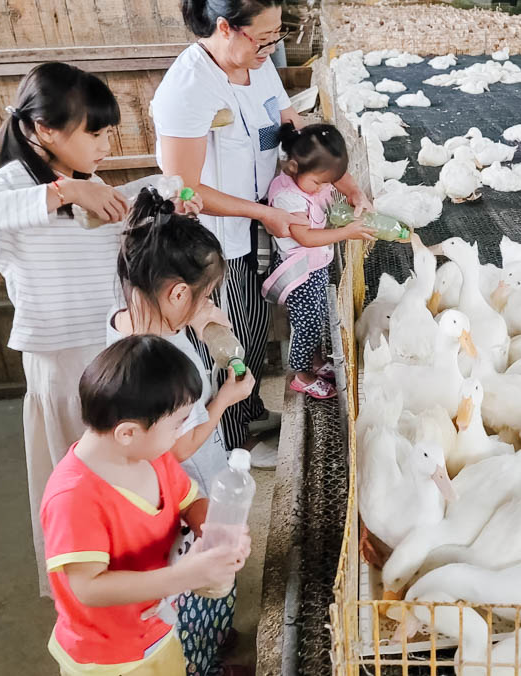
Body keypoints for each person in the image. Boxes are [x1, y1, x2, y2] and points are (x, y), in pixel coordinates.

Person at [0, 62, 163, 597]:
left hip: (108, 349)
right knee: (84, 495)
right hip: (64, 363)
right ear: (46, 130)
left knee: (125, 483)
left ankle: (146, 598)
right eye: (95, 131)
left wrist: (151, 203)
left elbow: (100, 248)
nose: (105, 144)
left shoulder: (86, 180)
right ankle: (95, 606)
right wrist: (66, 193)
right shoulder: (19, 186)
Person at [152, 0, 371, 450]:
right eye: (265, 37)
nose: (272, 48)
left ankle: (249, 414)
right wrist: (264, 213)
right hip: (214, 237)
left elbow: (292, 131)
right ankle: (232, 444)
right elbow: (183, 189)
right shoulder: (188, 89)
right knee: (228, 337)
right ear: (226, 27)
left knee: (253, 328)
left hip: (260, 219)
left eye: (277, 37)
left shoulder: (259, 63)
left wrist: (345, 183)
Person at [40, 335, 249, 676]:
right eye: (178, 424)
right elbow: (89, 588)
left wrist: (217, 527)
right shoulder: (74, 497)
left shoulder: (152, 457)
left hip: (157, 626)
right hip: (109, 658)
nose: (182, 432)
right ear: (127, 433)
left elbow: (189, 500)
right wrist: (182, 576)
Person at [111, 189, 257, 675]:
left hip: (168, 488)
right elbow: (178, 445)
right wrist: (224, 403)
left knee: (204, 573)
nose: (209, 304)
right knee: (198, 572)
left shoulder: (125, 329)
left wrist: (201, 320)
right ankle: (205, 659)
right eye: (205, 295)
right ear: (177, 293)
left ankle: (217, 637)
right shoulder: (168, 361)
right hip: (186, 483)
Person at [262, 123, 375, 398]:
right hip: (300, 269)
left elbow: (324, 202)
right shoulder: (288, 196)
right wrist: (346, 232)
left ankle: (313, 360)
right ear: (292, 168)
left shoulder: (309, 182)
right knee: (307, 322)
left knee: (316, 315)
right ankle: (300, 373)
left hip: (316, 265)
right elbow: (305, 237)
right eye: (318, 182)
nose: (322, 188)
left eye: (327, 182)